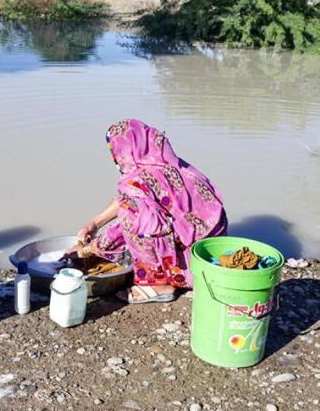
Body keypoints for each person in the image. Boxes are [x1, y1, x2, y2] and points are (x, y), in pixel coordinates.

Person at [71, 119, 227, 303]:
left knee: (134, 220)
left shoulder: (138, 182)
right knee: (137, 213)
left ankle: (159, 285)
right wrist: (95, 223)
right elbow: (125, 199)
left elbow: (131, 220)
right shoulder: (172, 165)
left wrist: (90, 250)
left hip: (192, 268)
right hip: (212, 254)